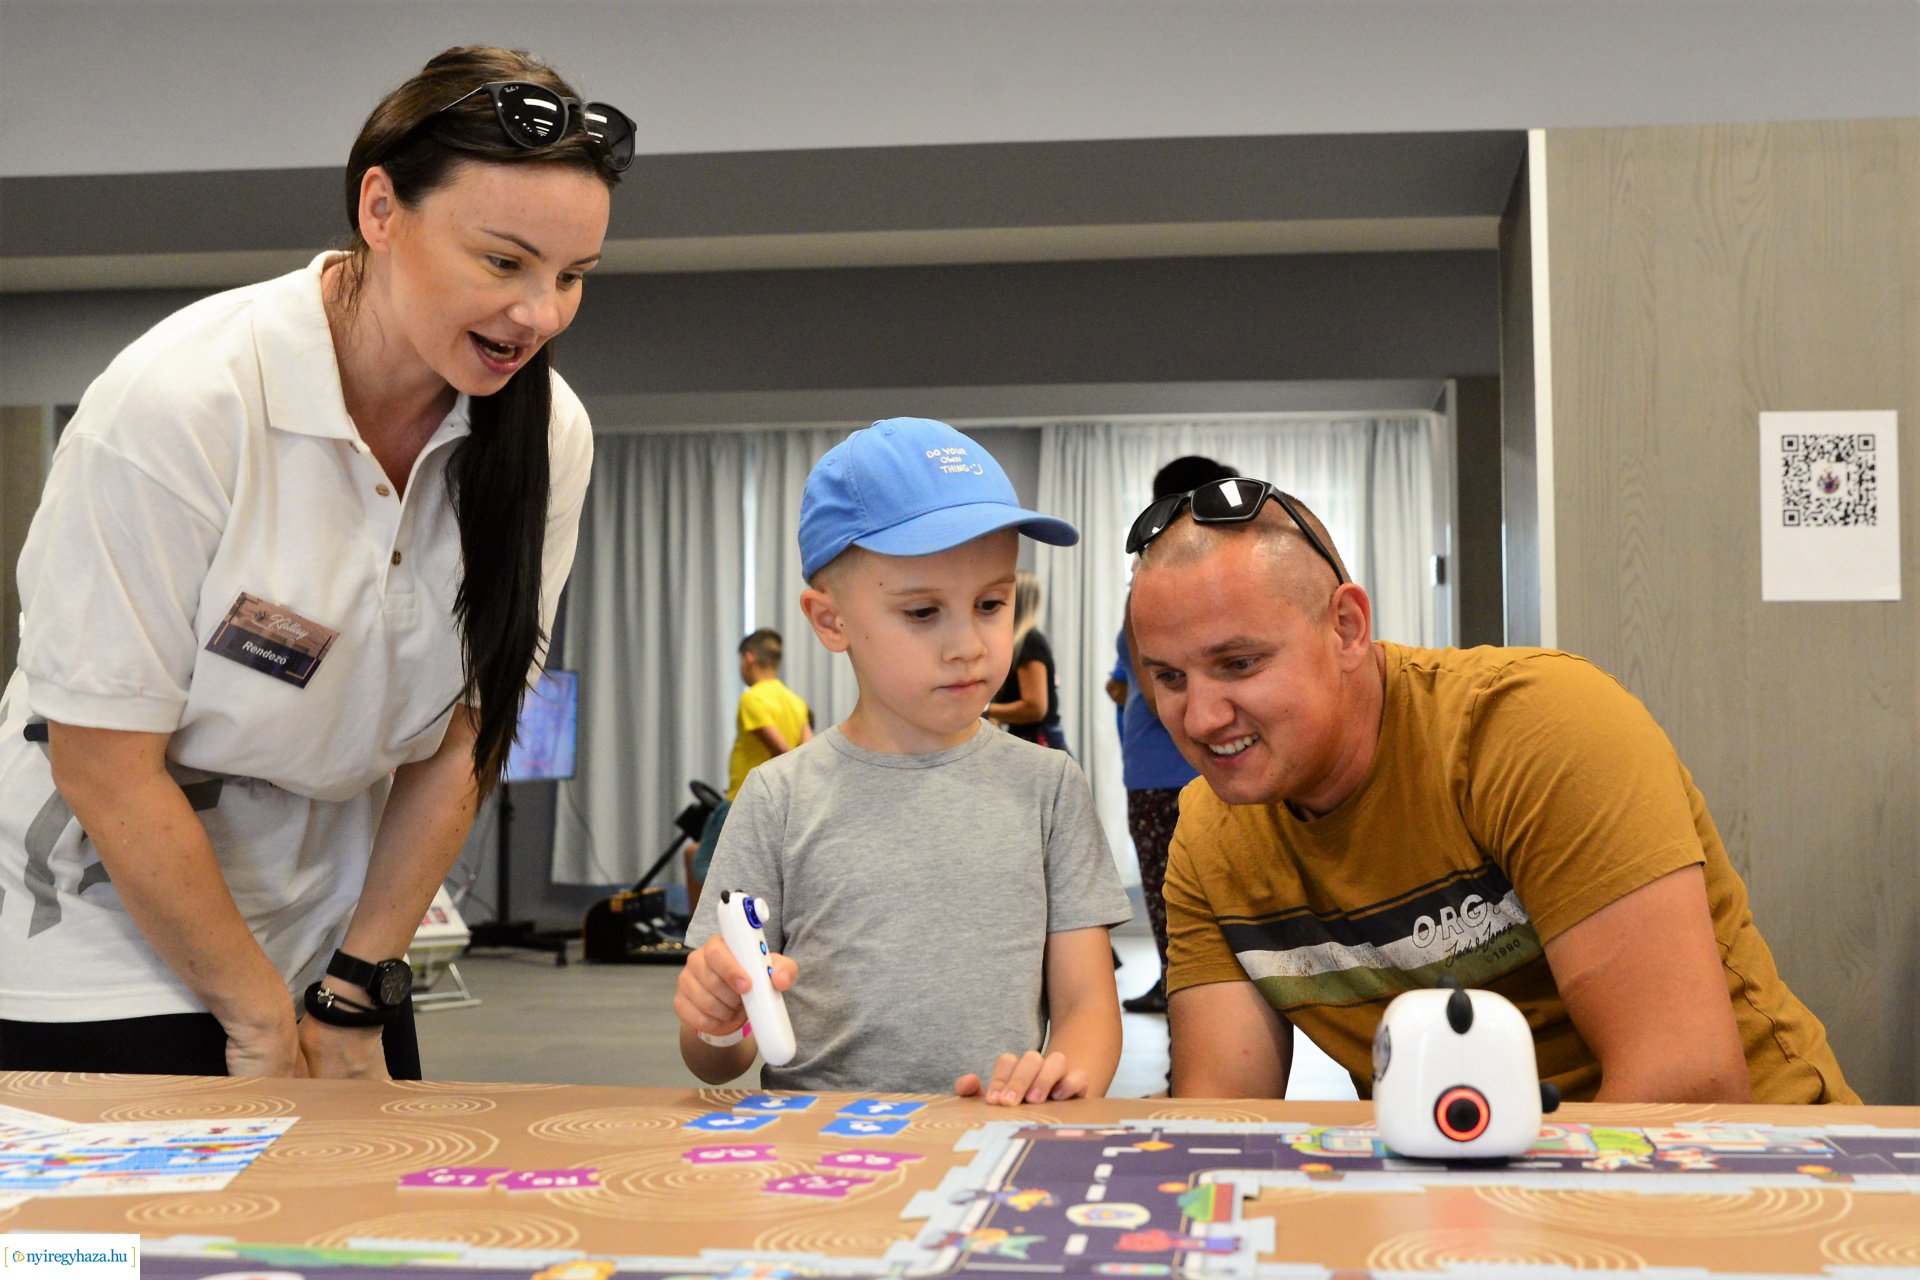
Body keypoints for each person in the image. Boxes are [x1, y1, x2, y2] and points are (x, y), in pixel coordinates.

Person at [0, 46, 629, 1079]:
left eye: (571, 277)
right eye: (503, 263)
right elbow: (102, 762)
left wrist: (353, 988)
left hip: (332, 929)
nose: (540, 314)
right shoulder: (184, 400)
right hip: (95, 931)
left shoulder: (546, 432)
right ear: (380, 209)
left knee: (365, 1192)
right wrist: (256, 1019)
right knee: (143, 1200)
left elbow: (465, 734)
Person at [1127, 476, 1857, 1104]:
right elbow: (1223, 1118)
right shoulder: (1210, 834)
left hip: (1754, 1167)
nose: (1201, 718)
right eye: (1168, 677)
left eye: (1239, 664)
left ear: (1347, 627)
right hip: (1463, 1188)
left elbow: (1686, 1087)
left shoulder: (1536, 728)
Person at [673, 417, 1131, 1104]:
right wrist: (715, 1019)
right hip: (816, 1146)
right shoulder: (777, 797)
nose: (968, 645)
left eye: (991, 604)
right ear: (830, 620)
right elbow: (720, 1060)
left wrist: (1064, 1079)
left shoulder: (1048, 786)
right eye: (922, 612)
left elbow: (1087, 1005)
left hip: (993, 1137)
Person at [1104, 457, 1235, 1015]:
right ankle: (1185, 1017)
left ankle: (1191, 1023)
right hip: (1170, 769)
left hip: (1172, 770)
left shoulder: (1162, 585)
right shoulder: (1161, 585)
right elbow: (1142, 679)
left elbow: (1155, 688)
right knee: (1187, 907)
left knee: (1184, 908)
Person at [685, 628, 813, 914]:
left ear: (749, 658)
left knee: (701, 864)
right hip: (778, 805)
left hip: (742, 802)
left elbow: (782, 751)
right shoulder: (796, 702)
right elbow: (808, 752)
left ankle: (698, 935)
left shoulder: (753, 699)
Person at [986, 572, 1067, 751]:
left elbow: (1035, 708)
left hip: (1038, 741)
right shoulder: (1018, 642)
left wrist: (986, 709)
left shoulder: (1029, 642)